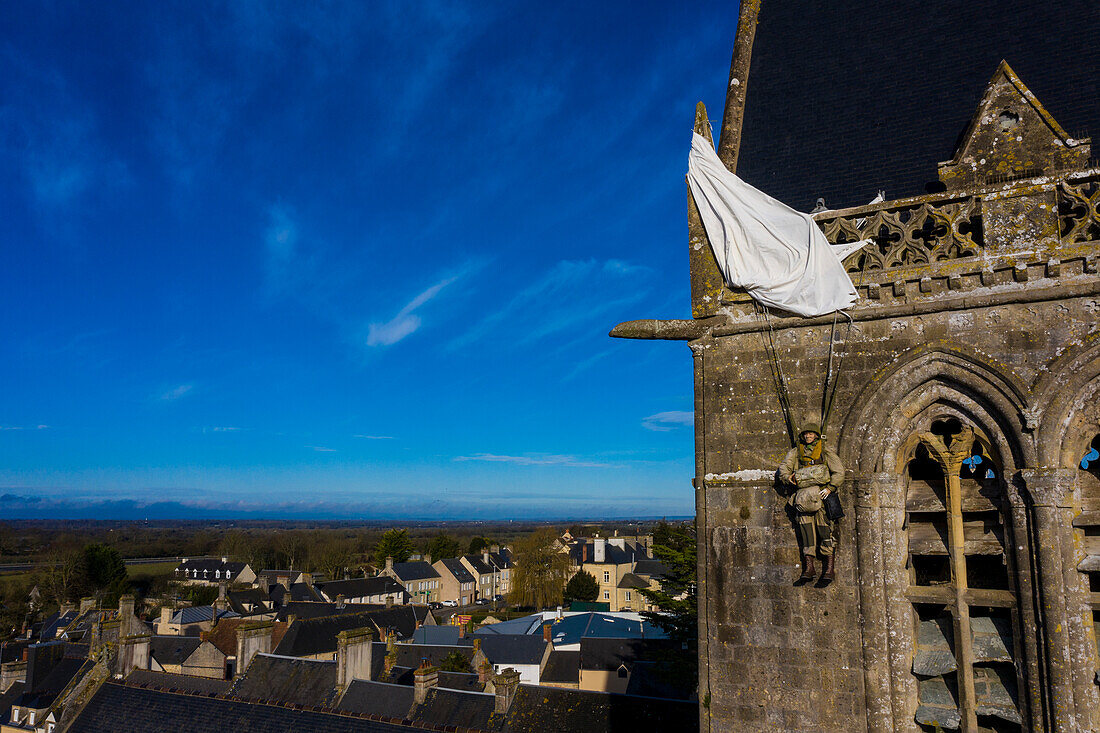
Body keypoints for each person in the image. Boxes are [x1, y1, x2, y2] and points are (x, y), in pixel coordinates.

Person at [779, 420, 844, 582]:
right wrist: (788, 478)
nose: (808, 436)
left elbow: (839, 471)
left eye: (811, 433)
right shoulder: (796, 452)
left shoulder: (825, 450)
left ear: (816, 435)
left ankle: (829, 569)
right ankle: (809, 568)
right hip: (802, 498)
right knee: (806, 531)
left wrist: (831, 488)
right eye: (806, 434)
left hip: (821, 498)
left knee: (825, 530)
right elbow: (784, 469)